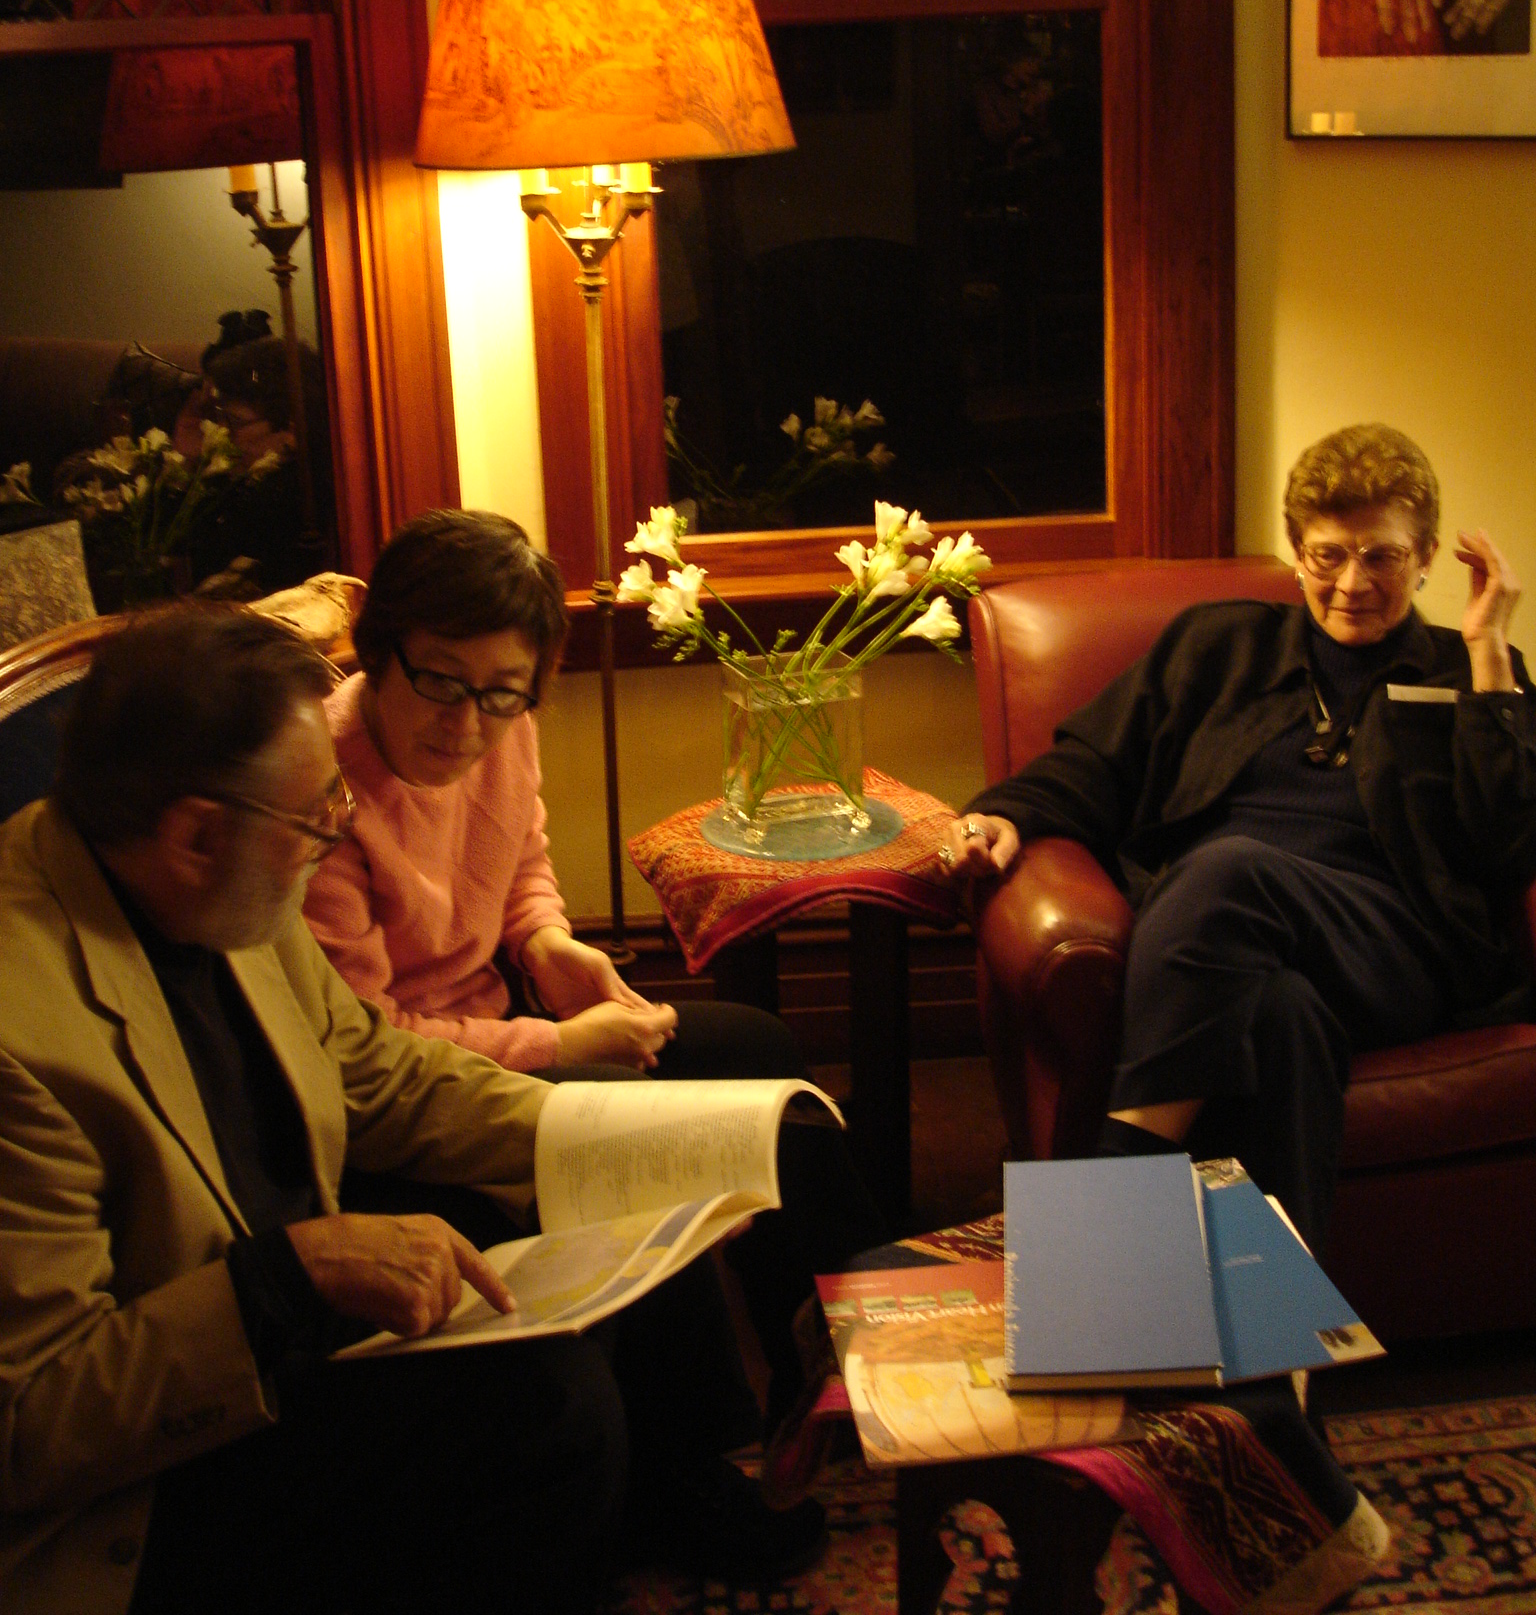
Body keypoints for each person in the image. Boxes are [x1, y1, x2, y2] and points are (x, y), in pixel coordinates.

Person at [0, 607, 824, 1615]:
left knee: (590, 1221)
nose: (340, 827)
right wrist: (283, 1281)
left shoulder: (213, 883)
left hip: (283, 1316)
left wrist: (636, 1138)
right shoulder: (18, 1034)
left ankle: (646, 1505)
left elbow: (372, 1069)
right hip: (147, 1477)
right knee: (548, 1405)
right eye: (316, 815)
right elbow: (32, 1421)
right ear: (196, 833)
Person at [302, 508, 886, 1452]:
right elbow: (365, 1044)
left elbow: (521, 862)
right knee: (639, 1130)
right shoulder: (320, 787)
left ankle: (842, 1367)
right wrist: (560, 1045)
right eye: (438, 681)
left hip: (505, 1015)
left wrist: (547, 946)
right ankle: (702, 1459)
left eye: (503, 695)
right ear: (381, 650)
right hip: (410, 1094)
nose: (466, 724)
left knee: (763, 1058)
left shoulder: (502, 721)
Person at [943, 423, 1536, 1251]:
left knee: (1228, 871)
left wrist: (1489, 656)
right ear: (1297, 553)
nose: (1353, 583)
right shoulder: (1217, 644)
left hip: (1392, 946)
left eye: (1383, 556)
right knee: (1282, 1019)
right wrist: (1008, 813)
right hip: (1219, 943)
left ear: (1427, 554)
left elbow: (1510, 844)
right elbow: (1097, 765)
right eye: (1329, 555)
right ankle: (1270, 1367)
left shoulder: (1463, 669)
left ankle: (1116, 1187)